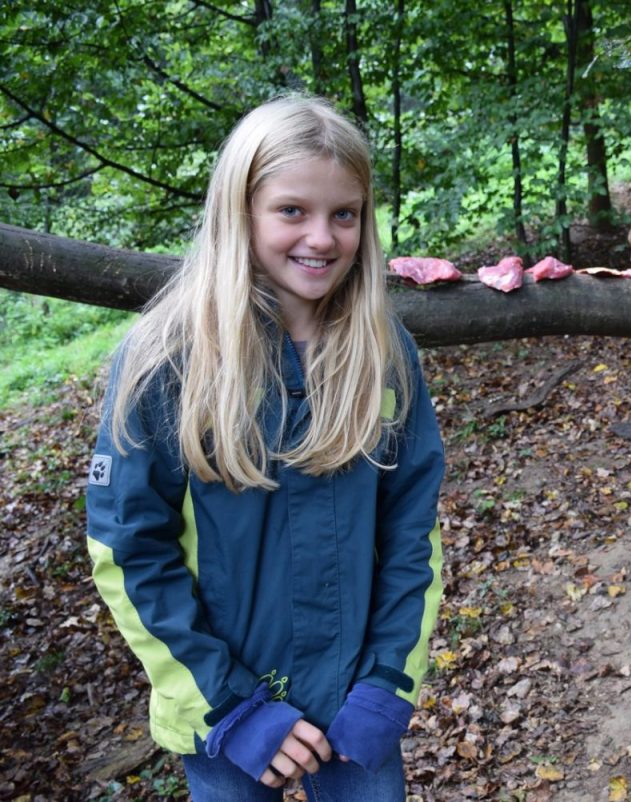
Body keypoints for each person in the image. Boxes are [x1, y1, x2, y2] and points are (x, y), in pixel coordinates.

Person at [85, 94, 445, 801]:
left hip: (355, 709)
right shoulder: (167, 359)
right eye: (292, 211)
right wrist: (233, 707)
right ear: (239, 209)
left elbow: (413, 533)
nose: (322, 237)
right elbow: (129, 547)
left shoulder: (382, 352)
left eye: (345, 213)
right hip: (229, 723)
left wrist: (385, 683)